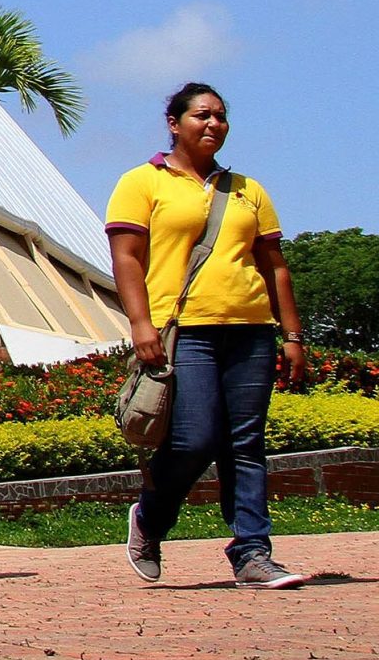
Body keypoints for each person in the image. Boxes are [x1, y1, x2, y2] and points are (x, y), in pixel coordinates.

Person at [107, 82, 311, 590]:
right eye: (202, 115)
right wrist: (140, 324)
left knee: (245, 443)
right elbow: (126, 259)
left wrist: (292, 335)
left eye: (221, 116)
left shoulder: (247, 189)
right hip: (185, 331)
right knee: (195, 438)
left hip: (250, 330)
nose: (213, 124)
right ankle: (150, 518)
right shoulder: (141, 182)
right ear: (174, 124)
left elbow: (274, 267)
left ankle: (252, 552)